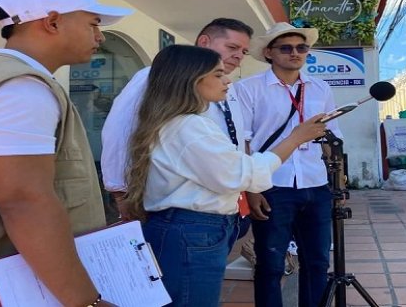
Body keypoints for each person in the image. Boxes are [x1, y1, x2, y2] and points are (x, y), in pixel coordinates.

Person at [0, 0, 132, 306]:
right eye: (93, 24)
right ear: (52, 22)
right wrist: (87, 301)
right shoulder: (21, 89)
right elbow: (24, 201)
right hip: (17, 279)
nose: (100, 36)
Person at [122, 45, 326, 306]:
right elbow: (242, 174)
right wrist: (295, 138)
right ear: (191, 79)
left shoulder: (182, 122)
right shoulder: (188, 126)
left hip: (192, 229)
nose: (227, 79)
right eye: (218, 75)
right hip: (192, 230)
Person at [101, 18, 254, 220]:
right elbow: (119, 131)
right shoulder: (155, 76)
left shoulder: (228, 88)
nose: (238, 56)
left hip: (221, 203)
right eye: (232, 47)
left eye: (244, 51)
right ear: (204, 42)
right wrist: (120, 191)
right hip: (175, 207)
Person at [235, 22, 341, 307]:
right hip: (272, 185)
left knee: (317, 262)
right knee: (270, 265)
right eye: (286, 48)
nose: (295, 53)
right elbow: (243, 142)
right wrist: (251, 190)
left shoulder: (320, 88)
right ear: (270, 52)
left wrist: (337, 178)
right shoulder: (247, 89)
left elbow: (333, 137)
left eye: (301, 47)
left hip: (316, 184)